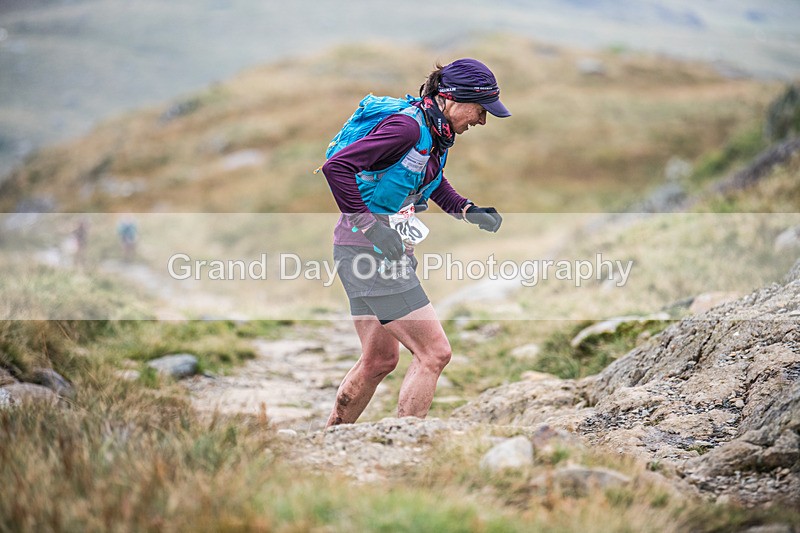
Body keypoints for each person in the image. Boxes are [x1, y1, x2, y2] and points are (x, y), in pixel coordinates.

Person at [322, 58, 510, 427]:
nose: (482, 120)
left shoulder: (433, 133)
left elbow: (430, 180)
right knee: (434, 353)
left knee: (378, 361)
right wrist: (372, 228)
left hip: (361, 251)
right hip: (371, 254)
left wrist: (467, 209)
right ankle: (406, 442)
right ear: (453, 99)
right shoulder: (406, 129)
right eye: (480, 110)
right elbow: (337, 168)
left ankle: (331, 440)